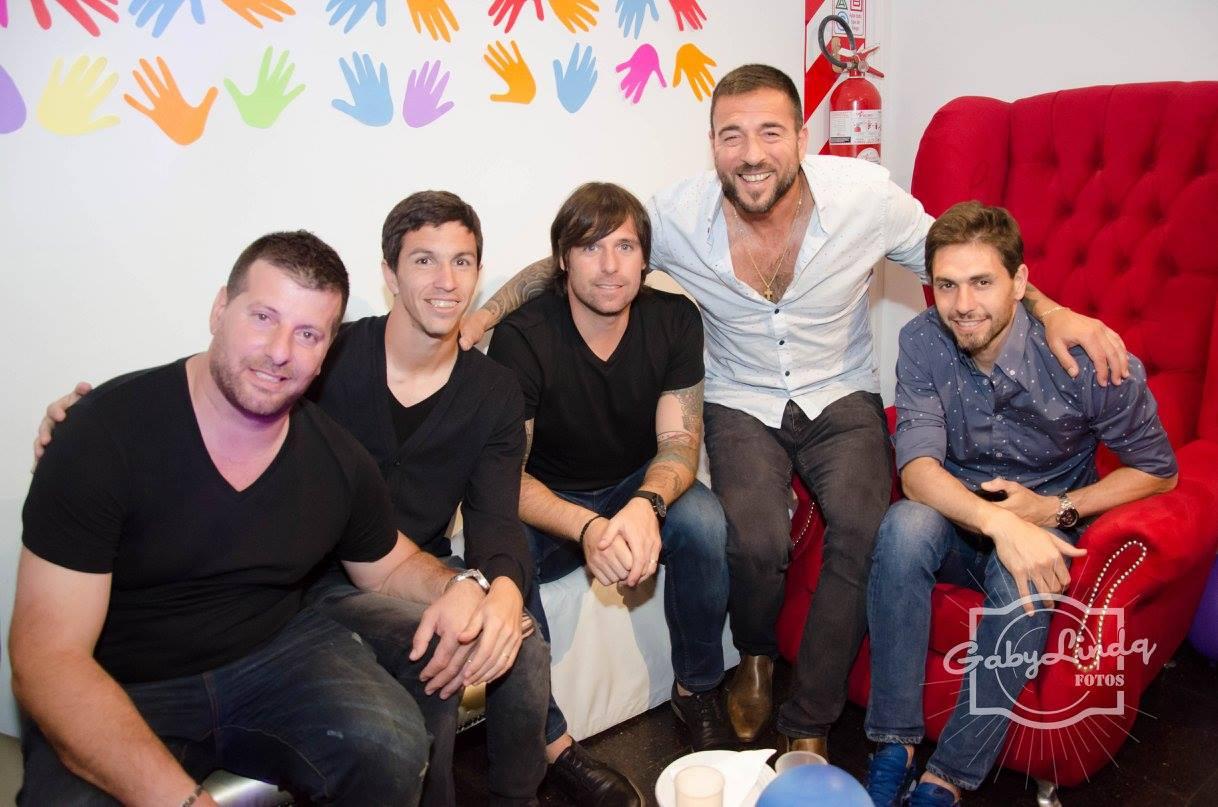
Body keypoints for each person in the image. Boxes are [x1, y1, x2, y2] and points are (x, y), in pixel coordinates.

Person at [459, 64, 1130, 756]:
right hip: (740, 395)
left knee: (863, 525)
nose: (751, 153)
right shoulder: (676, 216)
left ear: (803, 137)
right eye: (732, 135)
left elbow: (968, 260)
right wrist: (482, 315)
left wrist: (1050, 310)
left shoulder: (864, 199)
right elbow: (574, 257)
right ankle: (755, 654)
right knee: (753, 538)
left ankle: (810, 716)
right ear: (713, 144)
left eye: (770, 132)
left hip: (840, 387)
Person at [33, 193, 642, 806]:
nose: (283, 351)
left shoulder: (479, 394)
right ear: (390, 274)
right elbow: (212, 396)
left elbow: (486, 517)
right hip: (311, 583)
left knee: (511, 646)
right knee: (434, 650)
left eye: (461, 262)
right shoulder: (322, 362)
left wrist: (494, 588)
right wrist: (85, 418)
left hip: (389, 572)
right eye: (424, 260)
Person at [11, 232, 496, 805]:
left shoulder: (336, 458)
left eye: (308, 334)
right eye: (263, 317)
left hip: (272, 654)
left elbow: (387, 566)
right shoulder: (103, 434)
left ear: (327, 351)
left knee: (391, 746)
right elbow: (47, 658)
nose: (279, 351)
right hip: (126, 677)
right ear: (220, 309)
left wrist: (463, 584)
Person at [863, 202, 1177, 806]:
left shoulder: (1086, 360)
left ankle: (947, 777)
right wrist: (998, 522)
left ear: (1020, 283)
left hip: (1047, 517)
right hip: (962, 518)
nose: (963, 304)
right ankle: (892, 743)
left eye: (982, 282)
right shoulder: (923, 340)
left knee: (1025, 579)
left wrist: (1053, 511)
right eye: (947, 285)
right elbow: (918, 472)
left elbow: (1158, 473)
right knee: (904, 526)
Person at [486, 182, 734, 757]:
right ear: (563, 259)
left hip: (633, 483)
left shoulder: (674, 319)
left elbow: (679, 442)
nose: (609, 266)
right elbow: (503, 478)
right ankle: (547, 739)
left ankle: (696, 689)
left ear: (645, 258)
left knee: (704, 522)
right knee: (502, 554)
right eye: (590, 247)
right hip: (549, 498)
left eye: (624, 246)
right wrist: (587, 528)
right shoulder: (524, 338)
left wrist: (645, 505)